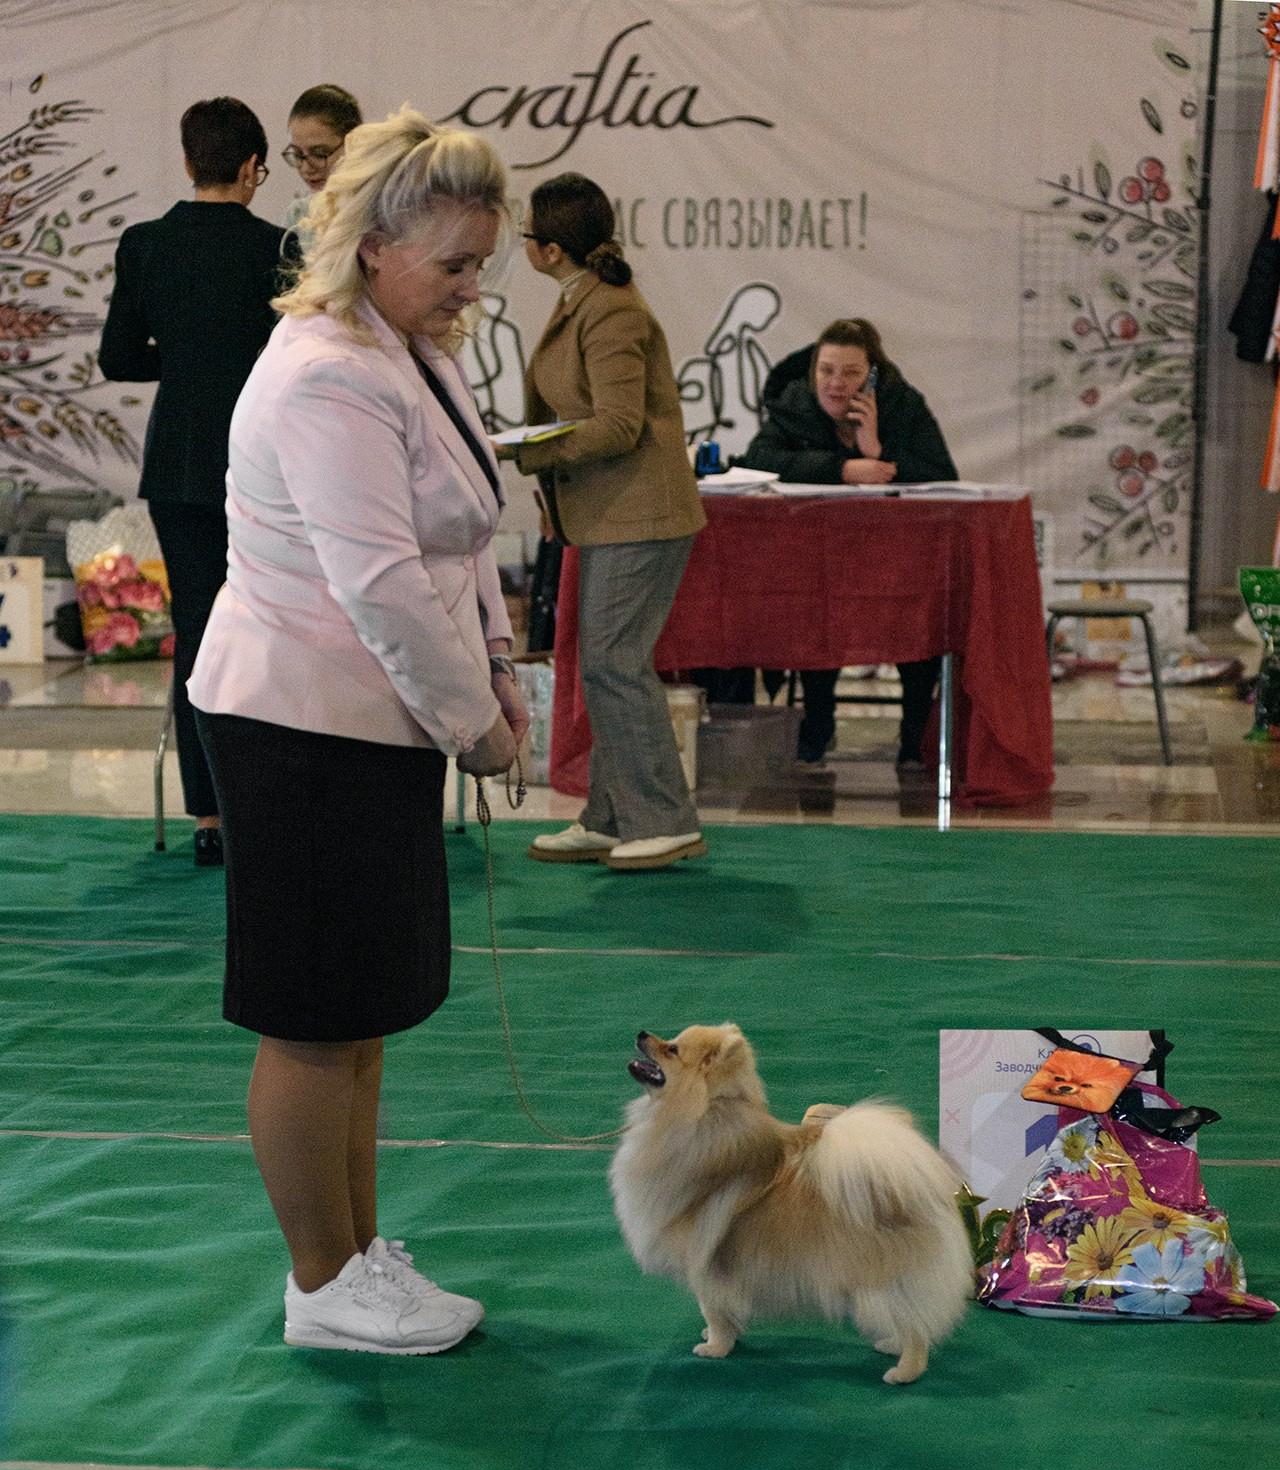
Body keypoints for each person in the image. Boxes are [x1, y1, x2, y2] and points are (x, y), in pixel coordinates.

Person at [186, 107, 529, 1355]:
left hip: (371, 724)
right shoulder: (329, 368)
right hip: (300, 723)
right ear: (377, 242)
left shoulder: (403, 344)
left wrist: (493, 668)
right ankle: (319, 1282)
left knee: (360, 1015)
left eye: (480, 260)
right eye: (455, 261)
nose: (470, 284)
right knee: (313, 1016)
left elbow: (466, 526)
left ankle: (354, 1255)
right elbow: (378, 581)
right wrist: (473, 728)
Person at [99, 97, 285, 866]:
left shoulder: (145, 244)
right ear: (250, 168)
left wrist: (181, 364)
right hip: (263, 465)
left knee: (200, 636)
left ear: (187, 161)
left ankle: (207, 816)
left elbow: (117, 359)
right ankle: (265, 804)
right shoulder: (281, 247)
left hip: (177, 465)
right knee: (273, 630)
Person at [506, 173, 707, 870]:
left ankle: (665, 818)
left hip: (642, 515)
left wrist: (531, 447)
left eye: (528, 233)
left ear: (552, 248)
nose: (523, 244)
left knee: (617, 665)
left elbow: (620, 425)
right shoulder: (583, 299)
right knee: (603, 665)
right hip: (612, 516)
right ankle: (613, 814)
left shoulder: (611, 309)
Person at [741, 318, 958, 767]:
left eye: (851, 373)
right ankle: (817, 723)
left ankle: (914, 737)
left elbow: (942, 474)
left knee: (917, 619)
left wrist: (876, 451)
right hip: (819, 558)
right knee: (814, 614)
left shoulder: (902, 404)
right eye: (826, 370)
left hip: (893, 558)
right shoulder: (795, 401)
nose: (836, 384)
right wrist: (841, 469)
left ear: (873, 375)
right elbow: (759, 460)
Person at [281, 83, 362, 236]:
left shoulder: (381, 210)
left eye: (319, 154)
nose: (306, 168)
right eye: (297, 154)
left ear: (355, 144)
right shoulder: (298, 214)